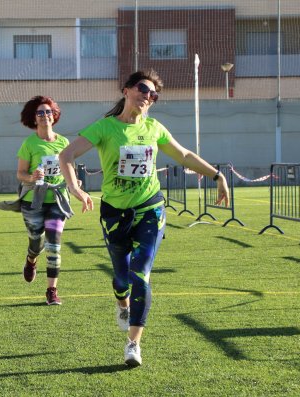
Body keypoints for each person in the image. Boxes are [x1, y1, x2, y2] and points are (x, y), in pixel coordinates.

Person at [59, 70, 229, 366]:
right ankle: (121, 303)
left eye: (153, 95)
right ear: (126, 90)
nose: (147, 96)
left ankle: (133, 344)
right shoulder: (105, 128)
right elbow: (66, 155)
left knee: (141, 273)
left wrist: (217, 175)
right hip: (114, 213)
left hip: (150, 208)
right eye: (142, 89)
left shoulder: (154, 128)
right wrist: (75, 188)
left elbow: (184, 155)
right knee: (122, 277)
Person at [11, 95, 73, 305]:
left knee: (54, 243)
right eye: (40, 112)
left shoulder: (64, 142)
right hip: (33, 201)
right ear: (34, 118)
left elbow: (69, 169)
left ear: (54, 115)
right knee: (36, 241)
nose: (45, 115)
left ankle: (51, 290)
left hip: (57, 199)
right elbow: (20, 173)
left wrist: (75, 184)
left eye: (48, 111)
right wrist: (31, 177)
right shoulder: (29, 143)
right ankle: (31, 260)